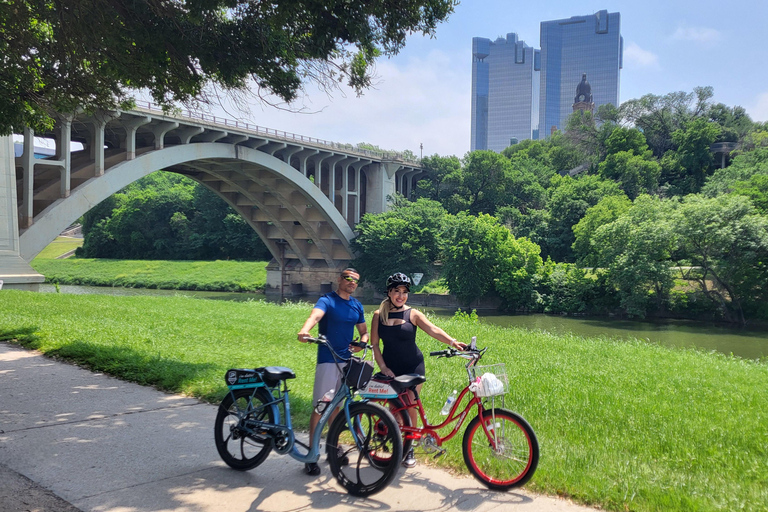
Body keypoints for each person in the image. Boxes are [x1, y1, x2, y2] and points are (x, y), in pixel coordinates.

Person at [370, 272, 467, 468]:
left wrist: (452, 341)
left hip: (413, 366)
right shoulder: (378, 315)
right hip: (390, 368)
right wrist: (383, 367)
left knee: (411, 406)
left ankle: (410, 447)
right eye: (397, 291)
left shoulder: (412, 314)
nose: (401, 296)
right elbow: (374, 345)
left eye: (404, 292)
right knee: (394, 409)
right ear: (389, 292)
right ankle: (395, 442)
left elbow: (433, 329)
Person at [297, 268, 368, 476]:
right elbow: (316, 315)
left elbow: (363, 332)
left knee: (336, 408)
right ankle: (312, 454)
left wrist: (361, 344)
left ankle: (333, 448)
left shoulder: (356, 305)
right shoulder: (327, 300)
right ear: (339, 280)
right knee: (321, 406)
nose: (351, 283)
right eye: (348, 278)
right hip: (328, 360)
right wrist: (305, 329)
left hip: (347, 362)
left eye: (355, 280)